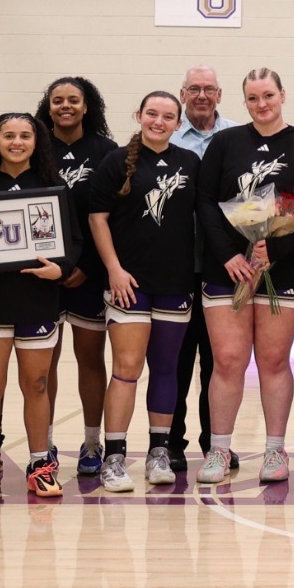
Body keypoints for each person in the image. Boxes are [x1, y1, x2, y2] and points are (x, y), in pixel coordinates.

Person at [196, 68, 294, 485]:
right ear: (244, 101)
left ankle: (275, 450)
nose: (261, 104)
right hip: (229, 271)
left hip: (283, 269)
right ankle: (219, 450)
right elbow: (205, 202)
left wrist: (275, 248)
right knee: (228, 361)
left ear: (283, 95)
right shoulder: (225, 142)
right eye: (252, 98)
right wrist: (230, 256)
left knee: (273, 361)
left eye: (268, 95)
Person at [84, 91, 202, 491]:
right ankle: (114, 458)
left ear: (177, 122)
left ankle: (158, 452)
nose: (159, 121)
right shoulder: (116, 162)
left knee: (167, 369)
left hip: (175, 283)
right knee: (128, 369)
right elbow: (97, 219)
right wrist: (114, 269)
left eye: (168, 116)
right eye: (152, 113)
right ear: (139, 115)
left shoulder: (190, 162)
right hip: (128, 284)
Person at [0, 113, 75, 502]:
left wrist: (62, 269)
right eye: (9, 135)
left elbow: (72, 243)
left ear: (36, 142)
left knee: (36, 385)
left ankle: (40, 464)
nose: (17, 142)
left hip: (38, 300)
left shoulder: (54, 187)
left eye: (25, 135)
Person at [41, 76, 119, 478]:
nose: (65, 106)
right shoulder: (35, 147)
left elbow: (109, 217)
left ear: (87, 105)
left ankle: (92, 442)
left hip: (88, 273)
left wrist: (86, 265)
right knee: (44, 364)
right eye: (58, 100)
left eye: (73, 100)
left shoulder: (107, 152)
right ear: (49, 105)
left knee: (90, 359)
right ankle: (45, 444)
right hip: (44, 275)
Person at [170, 65, 225, 473]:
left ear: (219, 95)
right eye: (194, 89)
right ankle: (169, 442)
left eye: (209, 89)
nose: (201, 95)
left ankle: (215, 444)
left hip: (224, 266)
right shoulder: (164, 136)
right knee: (174, 360)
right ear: (183, 93)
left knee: (219, 361)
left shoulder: (238, 137)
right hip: (176, 267)